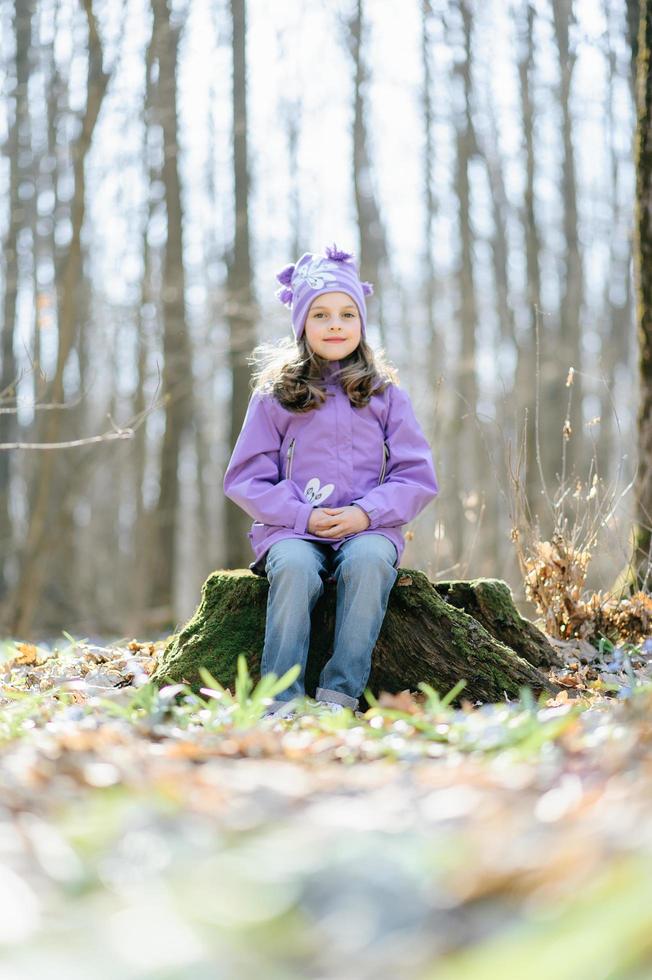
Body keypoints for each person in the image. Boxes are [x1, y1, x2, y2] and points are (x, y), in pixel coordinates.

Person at [223, 244, 439, 719]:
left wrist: (368, 513)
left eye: (347, 314)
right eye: (321, 315)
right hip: (292, 529)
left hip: (369, 528)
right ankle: (280, 698)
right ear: (302, 324)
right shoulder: (276, 394)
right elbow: (246, 477)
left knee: (368, 564)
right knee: (296, 569)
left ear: (361, 323)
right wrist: (302, 515)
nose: (335, 324)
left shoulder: (384, 393)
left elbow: (416, 474)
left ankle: (338, 696)